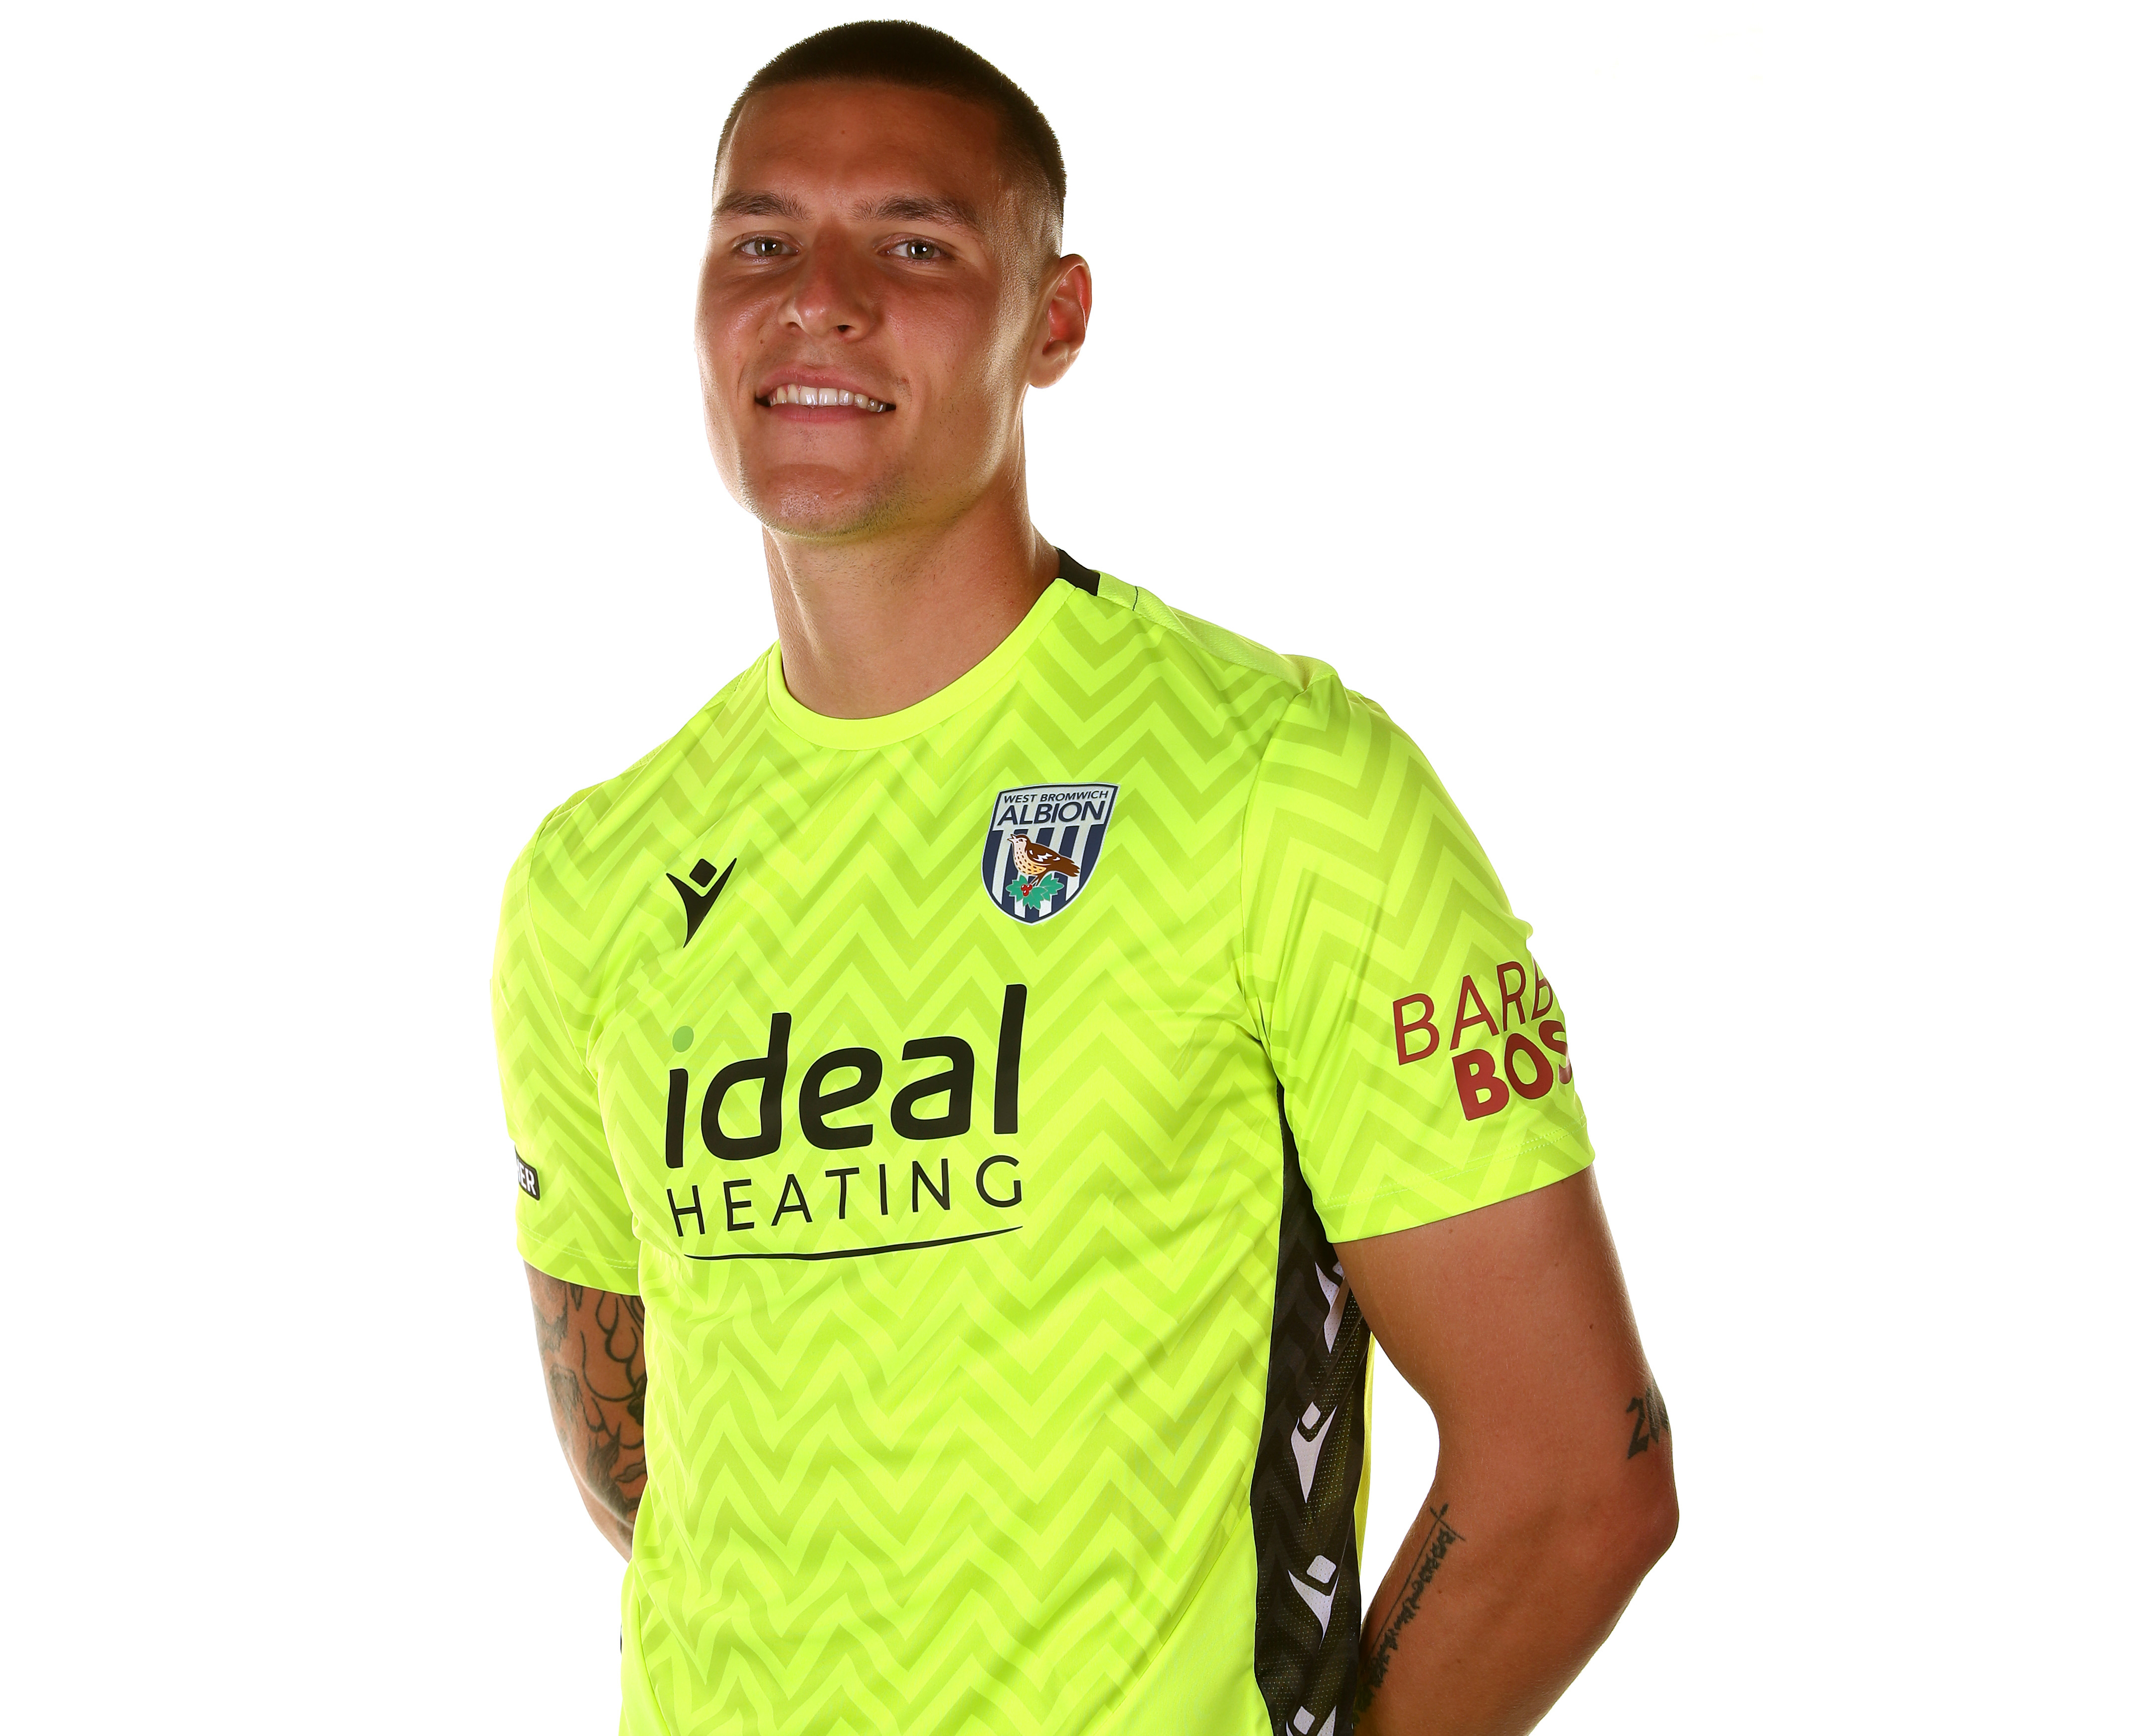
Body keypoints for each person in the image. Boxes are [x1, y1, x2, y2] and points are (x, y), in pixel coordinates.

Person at [493, 21, 1675, 1736]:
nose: (816, 296)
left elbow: (1577, 1486)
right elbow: (642, 1470)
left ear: (1052, 320)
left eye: (913, 244)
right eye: (760, 239)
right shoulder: (588, 879)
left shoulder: (1275, 787)